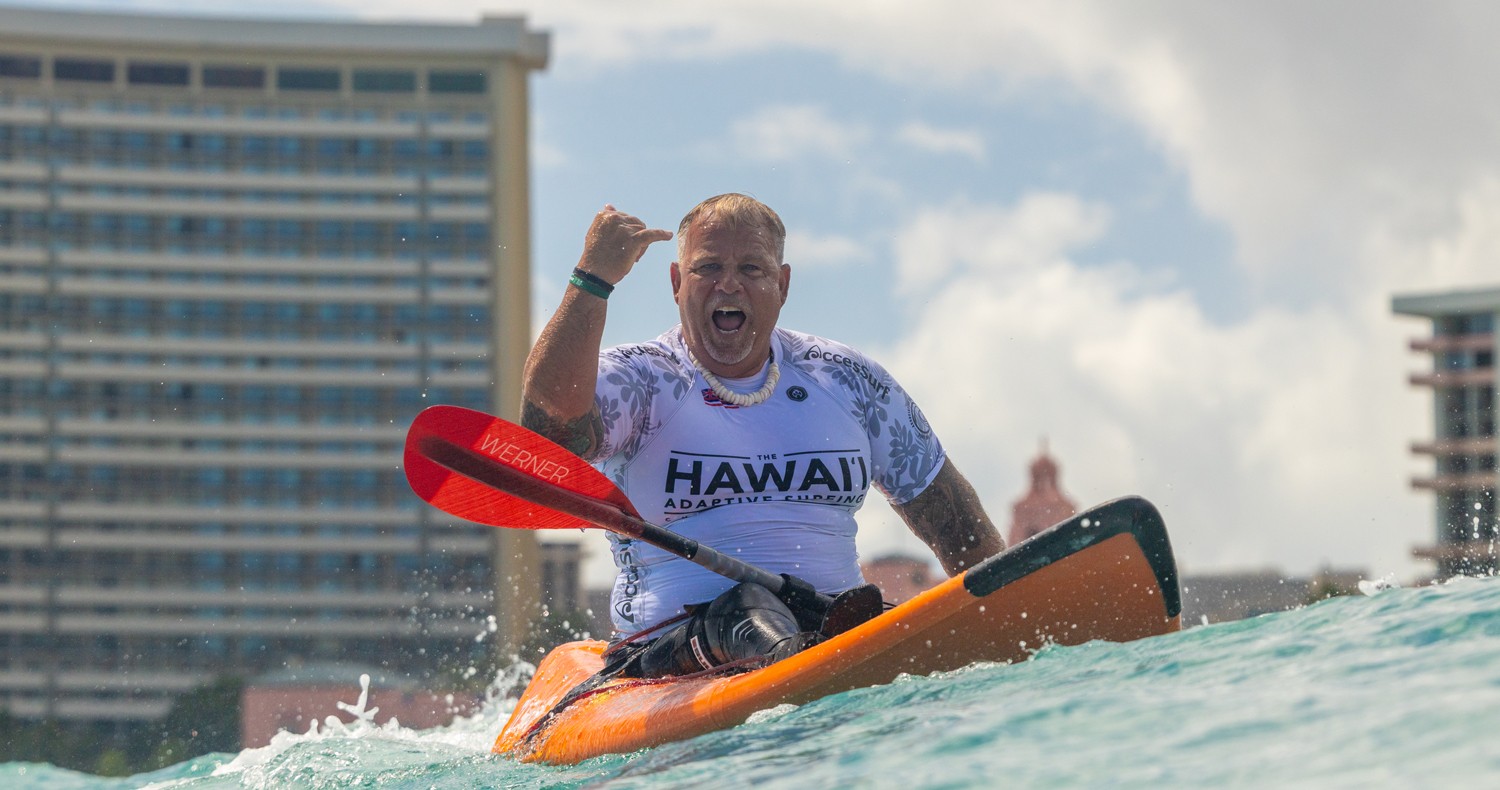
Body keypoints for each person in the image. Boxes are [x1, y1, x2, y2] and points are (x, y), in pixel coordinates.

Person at [522, 194, 1004, 678]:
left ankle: (817, 655)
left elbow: (958, 525)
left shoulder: (847, 380)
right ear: (676, 282)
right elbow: (550, 434)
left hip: (833, 629)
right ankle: (799, 662)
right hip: (671, 651)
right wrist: (593, 279)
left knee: (871, 610)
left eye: (751, 269)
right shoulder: (644, 379)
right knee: (749, 608)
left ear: (783, 283)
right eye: (708, 267)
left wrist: (1010, 617)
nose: (728, 284)